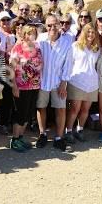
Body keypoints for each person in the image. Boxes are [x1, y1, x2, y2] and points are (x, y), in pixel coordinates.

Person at [36, 14, 73, 151]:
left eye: (55, 24)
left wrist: (64, 82)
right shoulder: (40, 40)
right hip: (42, 81)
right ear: (46, 26)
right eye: (49, 25)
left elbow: (68, 64)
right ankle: (42, 134)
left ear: (59, 25)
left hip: (58, 82)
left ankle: (59, 137)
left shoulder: (67, 42)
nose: (52, 27)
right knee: (41, 108)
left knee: (61, 109)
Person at [65, 24, 100, 144]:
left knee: (85, 109)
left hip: (92, 83)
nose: (90, 35)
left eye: (93, 33)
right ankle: (68, 131)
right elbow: (69, 64)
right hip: (77, 81)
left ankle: (79, 129)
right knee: (75, 108)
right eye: (88, 32)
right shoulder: (75, 46)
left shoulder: (97, 49)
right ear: (84, 33)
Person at [9, 25, 42, 152]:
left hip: (34, 85)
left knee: (28, 113)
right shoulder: (17, 48)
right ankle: (15, 139)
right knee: (20, 113)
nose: (30, 35)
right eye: (27, 33)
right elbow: (11, 69)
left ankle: (21, 137)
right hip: (21, 86)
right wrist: (14, 86)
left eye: (32, 33)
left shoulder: (38, 48)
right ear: (23, 34)